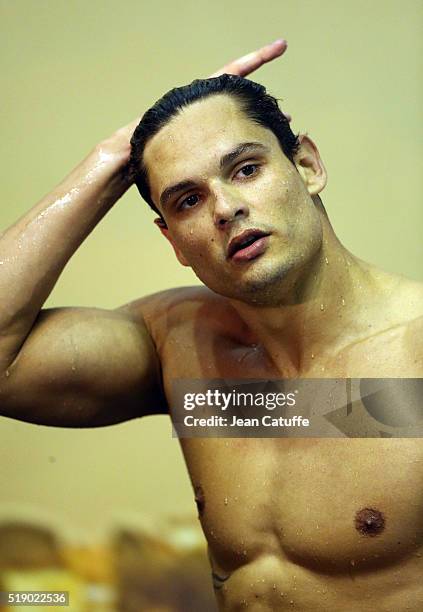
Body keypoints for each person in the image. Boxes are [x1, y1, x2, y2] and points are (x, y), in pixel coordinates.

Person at [0, 38, 422, 610]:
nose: (225, 209)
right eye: (188, 200)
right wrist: (110, 161)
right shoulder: (182, 344)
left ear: (307, 166)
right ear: (171, 240)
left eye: (246, 169)